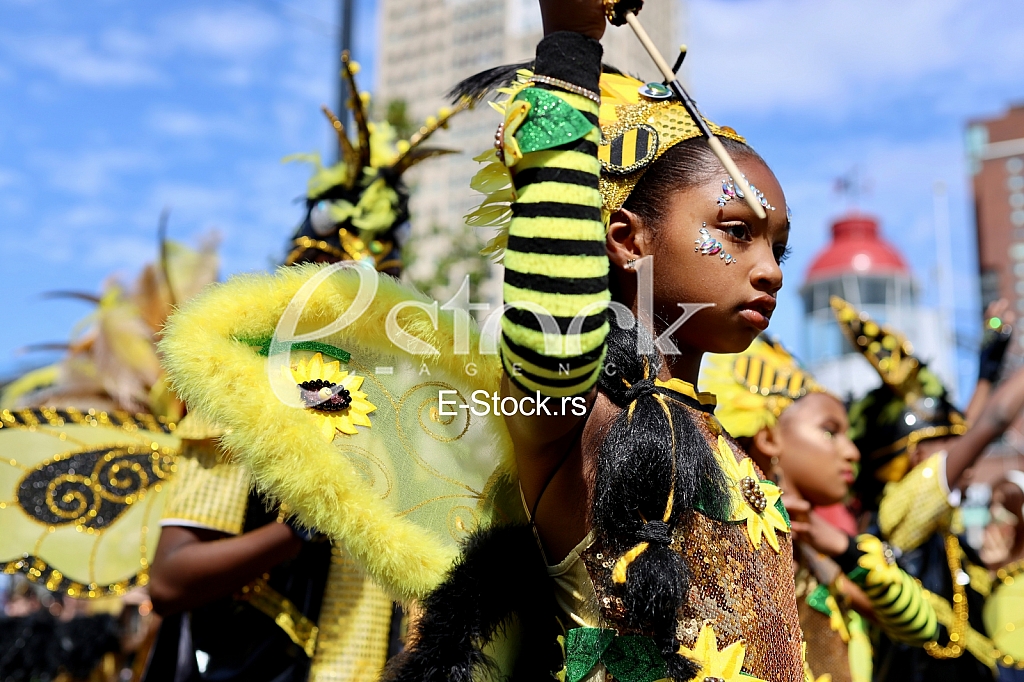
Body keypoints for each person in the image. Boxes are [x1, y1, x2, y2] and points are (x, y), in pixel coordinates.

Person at [144, 56, 467, 682]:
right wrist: (302, 528)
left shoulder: (410, 399)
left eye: (383, 282)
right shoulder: (240, 387)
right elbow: (170, 578)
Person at [701, 336, 938, 682]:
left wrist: (843, 546)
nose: (851, 452)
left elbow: (922, 626)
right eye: (830, 432)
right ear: (769, 438)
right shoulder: (724, 541)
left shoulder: (821, 556)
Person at [833, 296, 1024, 682]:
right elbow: (993, 423)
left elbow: (968, 432)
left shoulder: (929, 513)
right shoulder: (903, 507)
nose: (965, 457)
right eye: (951, 447)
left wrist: (987, 372)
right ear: (918, 456)